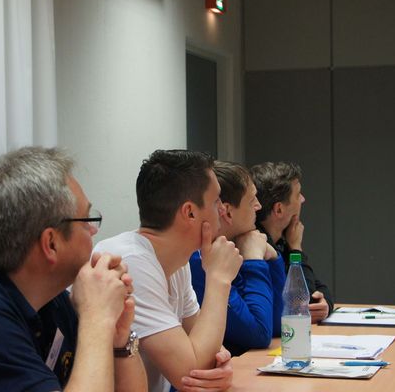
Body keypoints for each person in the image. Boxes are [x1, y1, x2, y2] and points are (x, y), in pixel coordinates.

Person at [0, 147, 147, 392]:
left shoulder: (49, 300)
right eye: (87, 221)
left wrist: (118, 340)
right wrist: (97, 318)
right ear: (51, 243)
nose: (94, 231)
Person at [94, 150, 242, 392]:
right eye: (216, 201)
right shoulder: (131, 262)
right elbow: (191, 371)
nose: (223, 211)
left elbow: (208, 353)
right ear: (190, 212)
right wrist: (219, 279)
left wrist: (220, 366)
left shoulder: (177, 262)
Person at [190, 161, 286, 356]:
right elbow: (260, 334)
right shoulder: (198, 261)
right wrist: (255, 261)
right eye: (252, 201)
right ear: (227, 211)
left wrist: (273, 258)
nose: (259, 206)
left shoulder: (229, 247)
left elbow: (280, 324)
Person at [250, 161, 334, 323]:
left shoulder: (281, 241)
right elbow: (301, 303)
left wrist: (326, 305)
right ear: (279, 209)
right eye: (298, 194)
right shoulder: (259, 247)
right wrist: (296, 249)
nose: (302, 199)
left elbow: (319, 288)